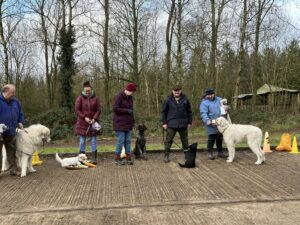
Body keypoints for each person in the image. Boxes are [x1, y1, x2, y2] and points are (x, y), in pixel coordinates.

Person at [161, 85, 193, 163]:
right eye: (175, 91)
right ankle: (166, 156)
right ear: (172, 91)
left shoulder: (186, 99)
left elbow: (189, 111)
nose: (177, 92)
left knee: (185, 141)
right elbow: (164, 112)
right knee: (168, 140)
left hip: (183, 124)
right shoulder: (168, 100)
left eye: (178, 90)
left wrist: (189, 122)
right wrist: (164, 123)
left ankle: (187, 156)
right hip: (171, 124)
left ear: (180, 91)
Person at [0, 84, 25, 176]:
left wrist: (20, 121)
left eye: (14, 92)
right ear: (5, 91)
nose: (14, 94)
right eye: (12, 92)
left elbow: (20, 113)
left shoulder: (16, 102)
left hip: (11, 131)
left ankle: (14, 169)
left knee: (12, 151)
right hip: (0, 132)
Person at [75, 81, 101, 165]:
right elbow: (77, 110)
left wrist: (94, 118)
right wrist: (84, 117)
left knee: (93, 141)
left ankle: (94, 158)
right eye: (86, 91)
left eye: (88, 91)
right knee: (82, 141)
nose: (87, 92)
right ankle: (81, 158)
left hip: (93, 123)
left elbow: (98, 110)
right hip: (82, 122)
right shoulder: (80, 98)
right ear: (84, 90)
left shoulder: (96, 98)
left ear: (91, 89)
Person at [112, 82, 137, 165]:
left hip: (128, 123)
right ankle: (117, 158)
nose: (132, 93)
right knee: (120, 141)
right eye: (132, 91)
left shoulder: (130, 98)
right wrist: (126, 111)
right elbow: (115, 108)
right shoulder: (119, 96)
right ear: (128, 90)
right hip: (119, 123)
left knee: (128, 141)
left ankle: (128, 157)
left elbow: (132, 111)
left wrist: (133, 121)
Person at [200, 88, 227, 160]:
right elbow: (203, 113)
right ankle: (210, 152)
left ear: (214, 94)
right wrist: (207, 120)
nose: (209, 96)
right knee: (211, 138)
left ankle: (220, 152)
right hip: (211, 122)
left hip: (220, 122)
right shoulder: (204, 103)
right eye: (208, 95)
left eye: (211, 94)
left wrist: (227, 108)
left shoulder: (219, 100)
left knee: (220, 137)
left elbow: (226, 107)